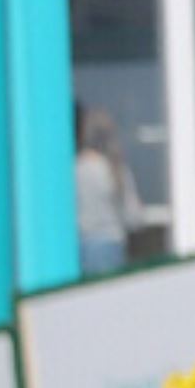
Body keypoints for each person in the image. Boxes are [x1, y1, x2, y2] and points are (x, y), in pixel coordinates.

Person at [74, 103, 138, 277]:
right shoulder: (116, 170)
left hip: (82, 244)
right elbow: (133, 217)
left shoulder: (75, 169)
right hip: (112, 245)